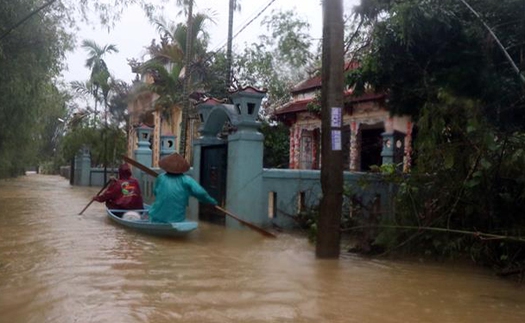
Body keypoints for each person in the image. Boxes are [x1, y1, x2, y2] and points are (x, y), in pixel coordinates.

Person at [149, 153, 217, 223]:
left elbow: (155, 192)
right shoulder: (187, 180)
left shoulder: (161, 177)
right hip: (177, 220)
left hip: (156, 218)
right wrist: (211, 201)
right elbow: (200, 192)